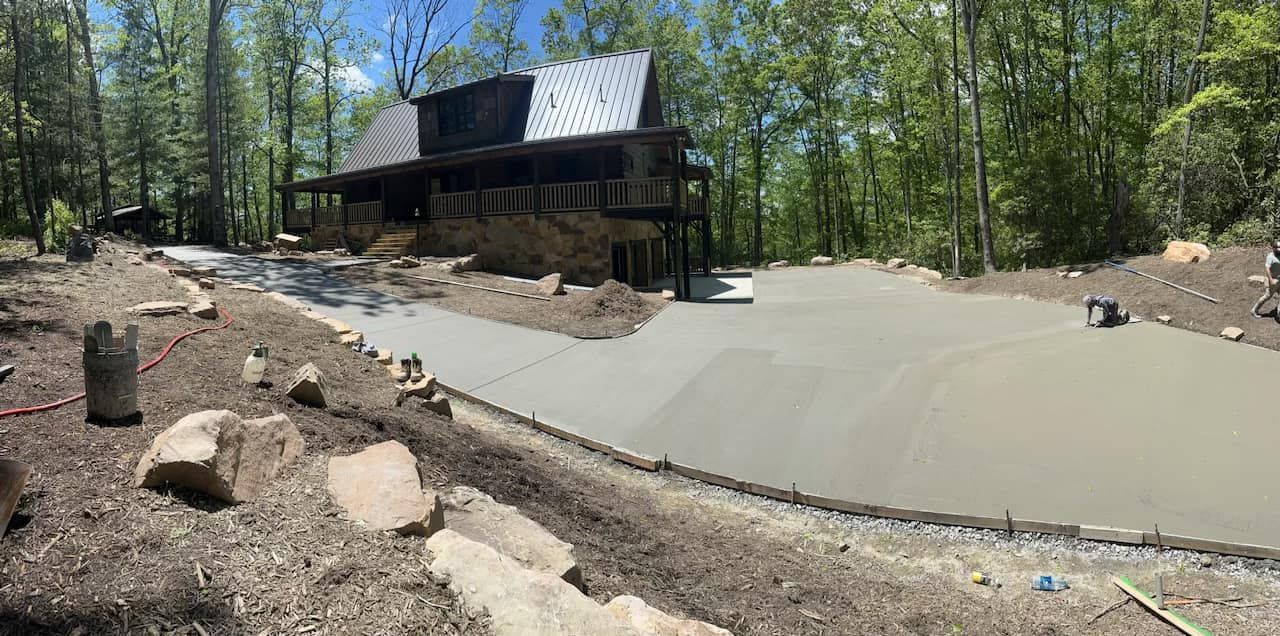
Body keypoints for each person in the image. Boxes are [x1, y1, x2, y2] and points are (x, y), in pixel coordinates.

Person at [1251, 240, 1280, 318]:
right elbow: (1267, 268)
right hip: (1273, 281)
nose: (1279, 249)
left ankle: (1279, 314)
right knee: (1267, 296)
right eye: (1277, 247)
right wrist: (1271, 280)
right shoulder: (1270, 257)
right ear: (1273, 248)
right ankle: (1254, 310)